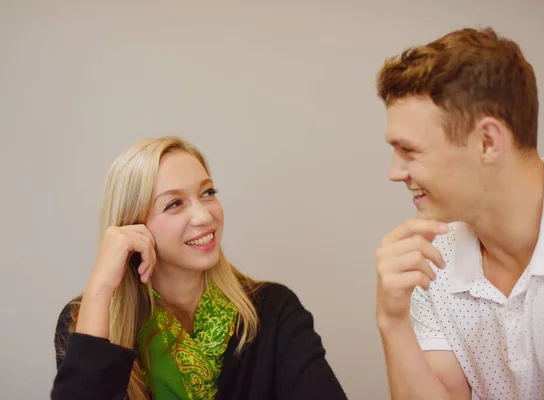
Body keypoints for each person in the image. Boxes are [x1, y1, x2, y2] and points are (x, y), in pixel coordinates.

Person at [373, 27, 544, 400]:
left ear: (487, 141)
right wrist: (392, 322)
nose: (394, 172)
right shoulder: (433, 259)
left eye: (409, 151)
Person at [51, 136, 347, 400]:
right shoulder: (86, 318)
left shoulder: (273, 310)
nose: (204, 216)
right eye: (175, 204)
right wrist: (100, 290)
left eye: (208, 192)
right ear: (133, 226)